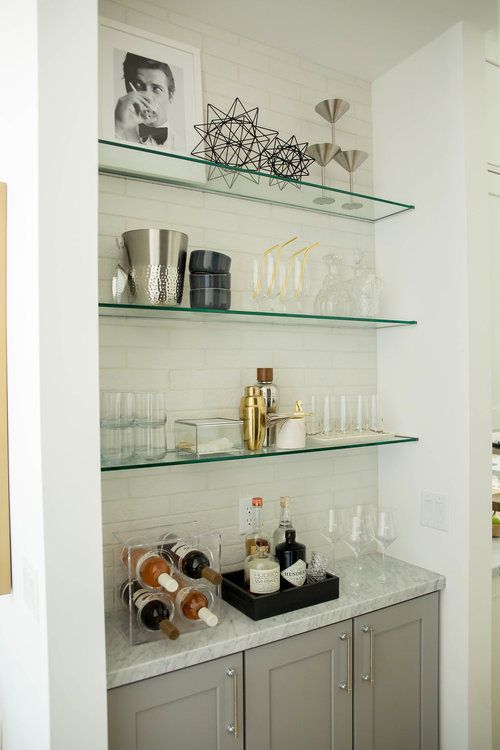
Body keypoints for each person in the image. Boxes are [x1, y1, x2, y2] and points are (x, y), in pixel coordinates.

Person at [115, 52, 178, 149]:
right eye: (138, 86)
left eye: (156, 89)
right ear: (128, 90)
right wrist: (118, 126)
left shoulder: (187, 143)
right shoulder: (116, 133)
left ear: (171, 96)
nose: (147, 97)